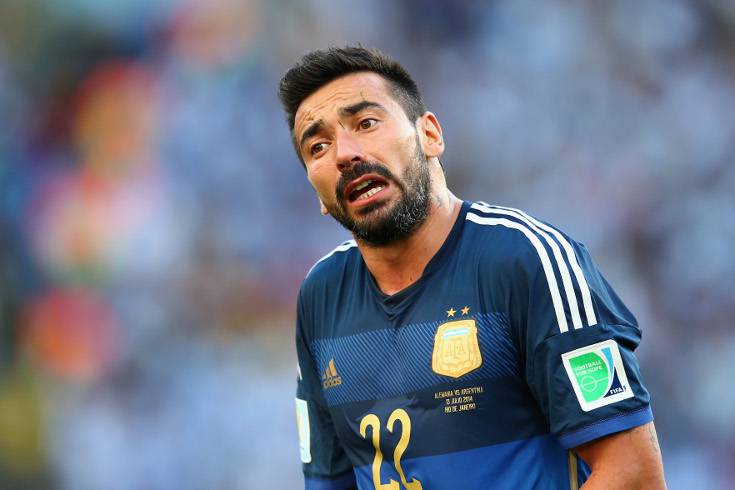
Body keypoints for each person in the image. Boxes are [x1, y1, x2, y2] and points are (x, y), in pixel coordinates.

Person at [278, 46, 666, 490]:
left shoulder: (525, 259)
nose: (344, 154)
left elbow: (634, 474)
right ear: (317, 193)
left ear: (429, 135)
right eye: (318, 147)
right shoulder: (321, 297)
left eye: (366, 123)